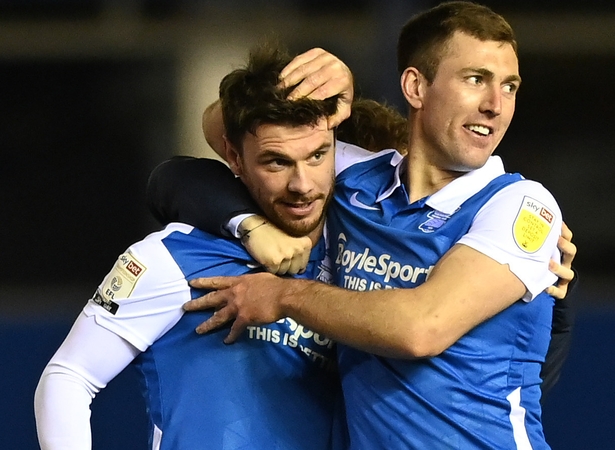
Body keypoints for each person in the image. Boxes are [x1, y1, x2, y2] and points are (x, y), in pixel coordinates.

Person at [151, 2, 576, 448]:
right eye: (476, 80)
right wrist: (324, 94)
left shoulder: (523, 204)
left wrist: (283, 295)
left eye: (509, 86)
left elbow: (421, 328)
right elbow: (226, 126)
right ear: (415, 86)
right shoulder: (358, 180)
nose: (495, 105)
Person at [34, 42, 394, 450]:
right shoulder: (174, 257)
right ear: (234, 158)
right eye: (276, 162)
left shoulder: (360, 264)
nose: (302, 185)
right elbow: (69, 377)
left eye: (317, 156)